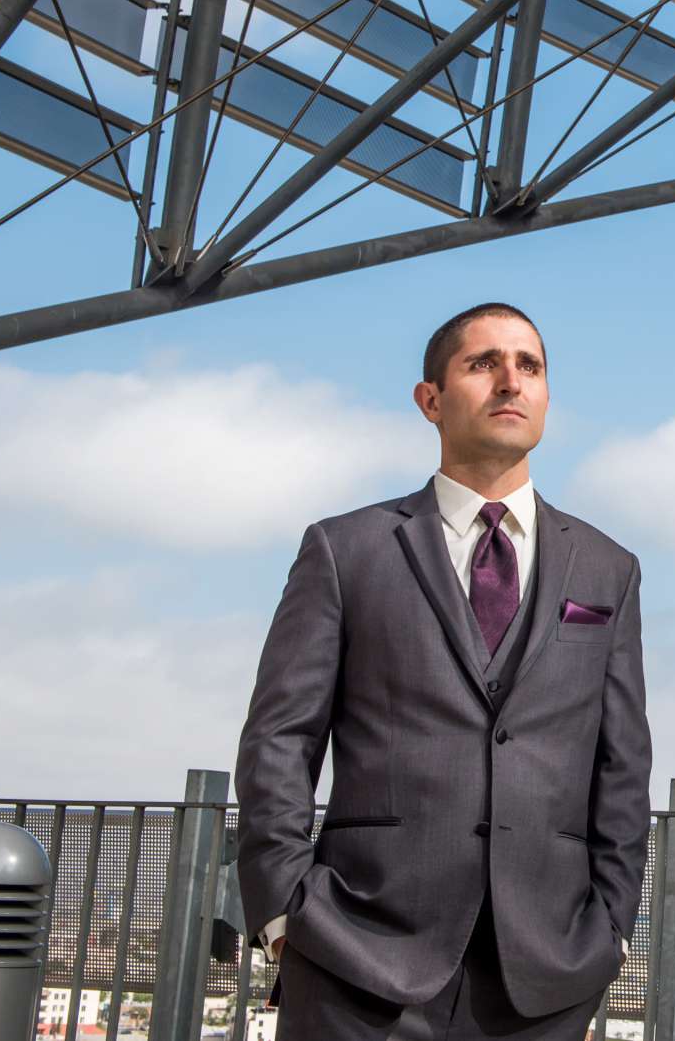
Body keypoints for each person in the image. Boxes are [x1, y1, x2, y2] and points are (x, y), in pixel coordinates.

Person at [235, 303, 651, 1040]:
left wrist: (611, 928)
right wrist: (282, 912)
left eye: (529, 366)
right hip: (358, 958)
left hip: (547, 972)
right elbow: (280, 741)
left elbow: (622, 765)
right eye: (483, 363)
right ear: (431, 399)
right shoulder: (345, 551)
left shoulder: (608, 568)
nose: (510, 382)